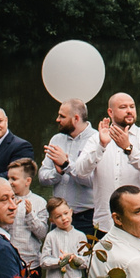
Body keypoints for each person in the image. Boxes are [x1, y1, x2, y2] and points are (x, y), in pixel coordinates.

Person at [86, 93, 140, 232]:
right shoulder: (95, 138)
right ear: (110, 112)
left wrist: (129, 148)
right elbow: (80, 171)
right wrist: (101, 146)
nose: (129, 111)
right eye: (123, 107)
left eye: (132, 107)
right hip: (106, 223)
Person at [1, 157, 51, 278]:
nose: (9, 182)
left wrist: (30, 215)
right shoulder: (5, 201)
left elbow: (42, 233)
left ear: (27, 181)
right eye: (8, 178)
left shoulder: (39, 203)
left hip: (30, 262)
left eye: (14, 179)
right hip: (8, 259)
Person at [40, 100, 99, 236]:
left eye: (62, 116)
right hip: (58, 217)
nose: (57, 119)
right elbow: (42, 178)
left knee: (83, 258)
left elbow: (94, 181)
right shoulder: (56, 140)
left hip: (85, 218)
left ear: (76, 118)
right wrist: (57, 173)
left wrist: (67, 165)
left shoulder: (97, 140)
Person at [37, 196, 90, 278]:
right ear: (52, 220)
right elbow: (43, 261)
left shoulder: (80, 236)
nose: (64, 218)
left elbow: (86, 261)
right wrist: (59, 262)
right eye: (58, 216)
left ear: (71, 212)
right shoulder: (51, 236)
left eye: (66, 213)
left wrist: (73, 258)